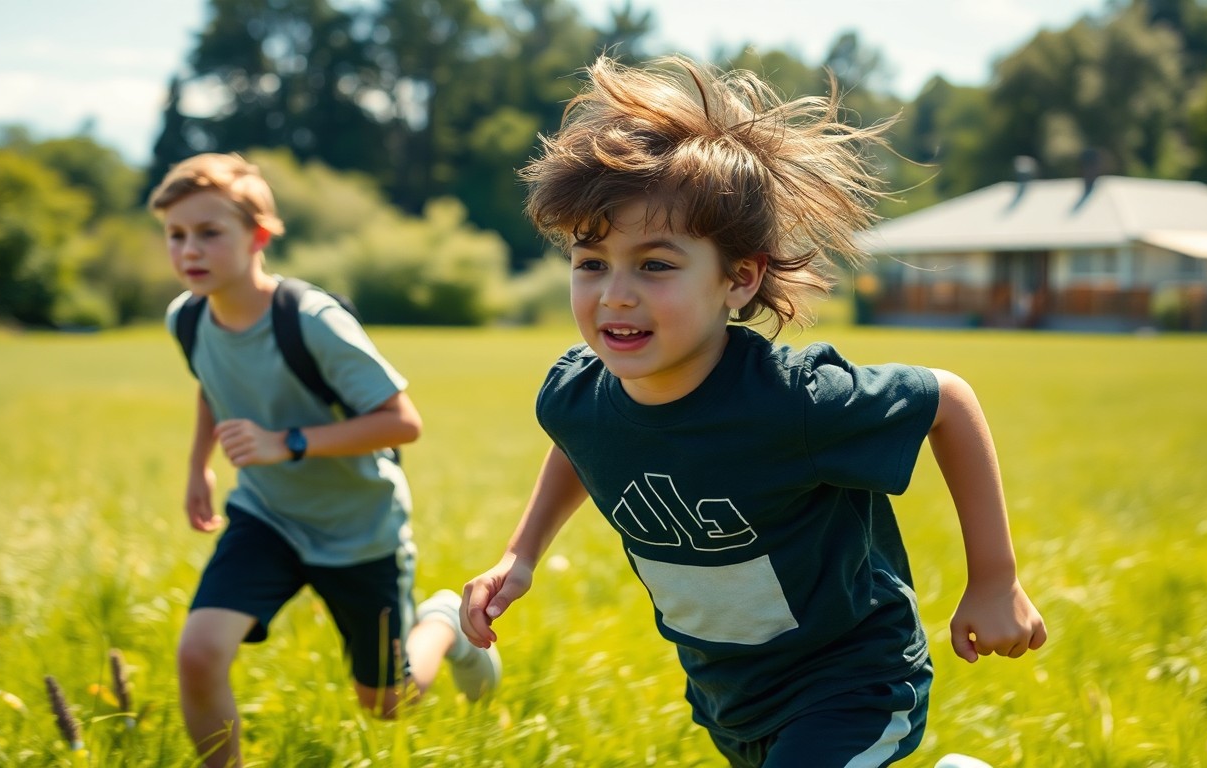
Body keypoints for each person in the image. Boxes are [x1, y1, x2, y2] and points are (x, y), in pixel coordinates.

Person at [460, 56, 1046, 767]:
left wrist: (995, 581)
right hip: (731, 695)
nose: (615, 294)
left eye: (655, 264)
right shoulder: (576, 394)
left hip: (854, 680)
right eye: (591, 263)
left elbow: (947, 400)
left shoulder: (792, 402)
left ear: (739, 279)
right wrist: (520, 555)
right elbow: (583, 441)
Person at [149, 153, 500, 767]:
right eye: (176, 235)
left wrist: (287, 442)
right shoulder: (188, 318)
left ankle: (443, 621)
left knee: (387, 704)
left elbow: (402, 422)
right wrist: (198, 467)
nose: (189, 250)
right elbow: (213, 384)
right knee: (198, 653)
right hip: (267, 516)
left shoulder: (310, 320)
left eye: (209, 232)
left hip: (358, 529)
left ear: (258, 237)